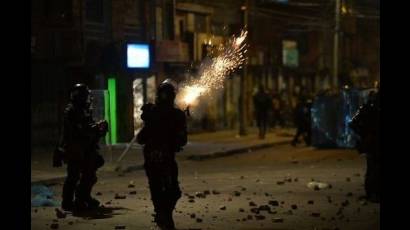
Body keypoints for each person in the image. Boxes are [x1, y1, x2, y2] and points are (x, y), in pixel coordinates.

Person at [137, 79, 188, 229]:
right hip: (164, 157)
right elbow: (182, 140)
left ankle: (161, 214)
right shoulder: (176, 115)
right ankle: (164, 214)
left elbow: (141, 138)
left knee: (156, 187)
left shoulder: (152, 112)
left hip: (152, 156)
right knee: (173, 190)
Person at [53, 83, 108, 211]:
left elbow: (88, 126)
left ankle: (83, 197)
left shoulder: (83, 109)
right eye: (86, 96)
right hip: (75, 149)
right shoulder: (72, 110)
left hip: (85, 148)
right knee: (73, 176)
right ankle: (68, 202)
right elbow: (79, 130)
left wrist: (98, 128)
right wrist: (94, 128)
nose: (88, 99)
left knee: (90, 173)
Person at [349, 89, 380, 202]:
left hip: (371, 141)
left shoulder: (368, 106)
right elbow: (354, 123)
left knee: (372, 167)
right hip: (373, 141)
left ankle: (372, 193)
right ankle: (373, 193)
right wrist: (366, 134)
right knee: (374, 167)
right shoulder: (369, 106)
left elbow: (354, 123)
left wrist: (364, 134)